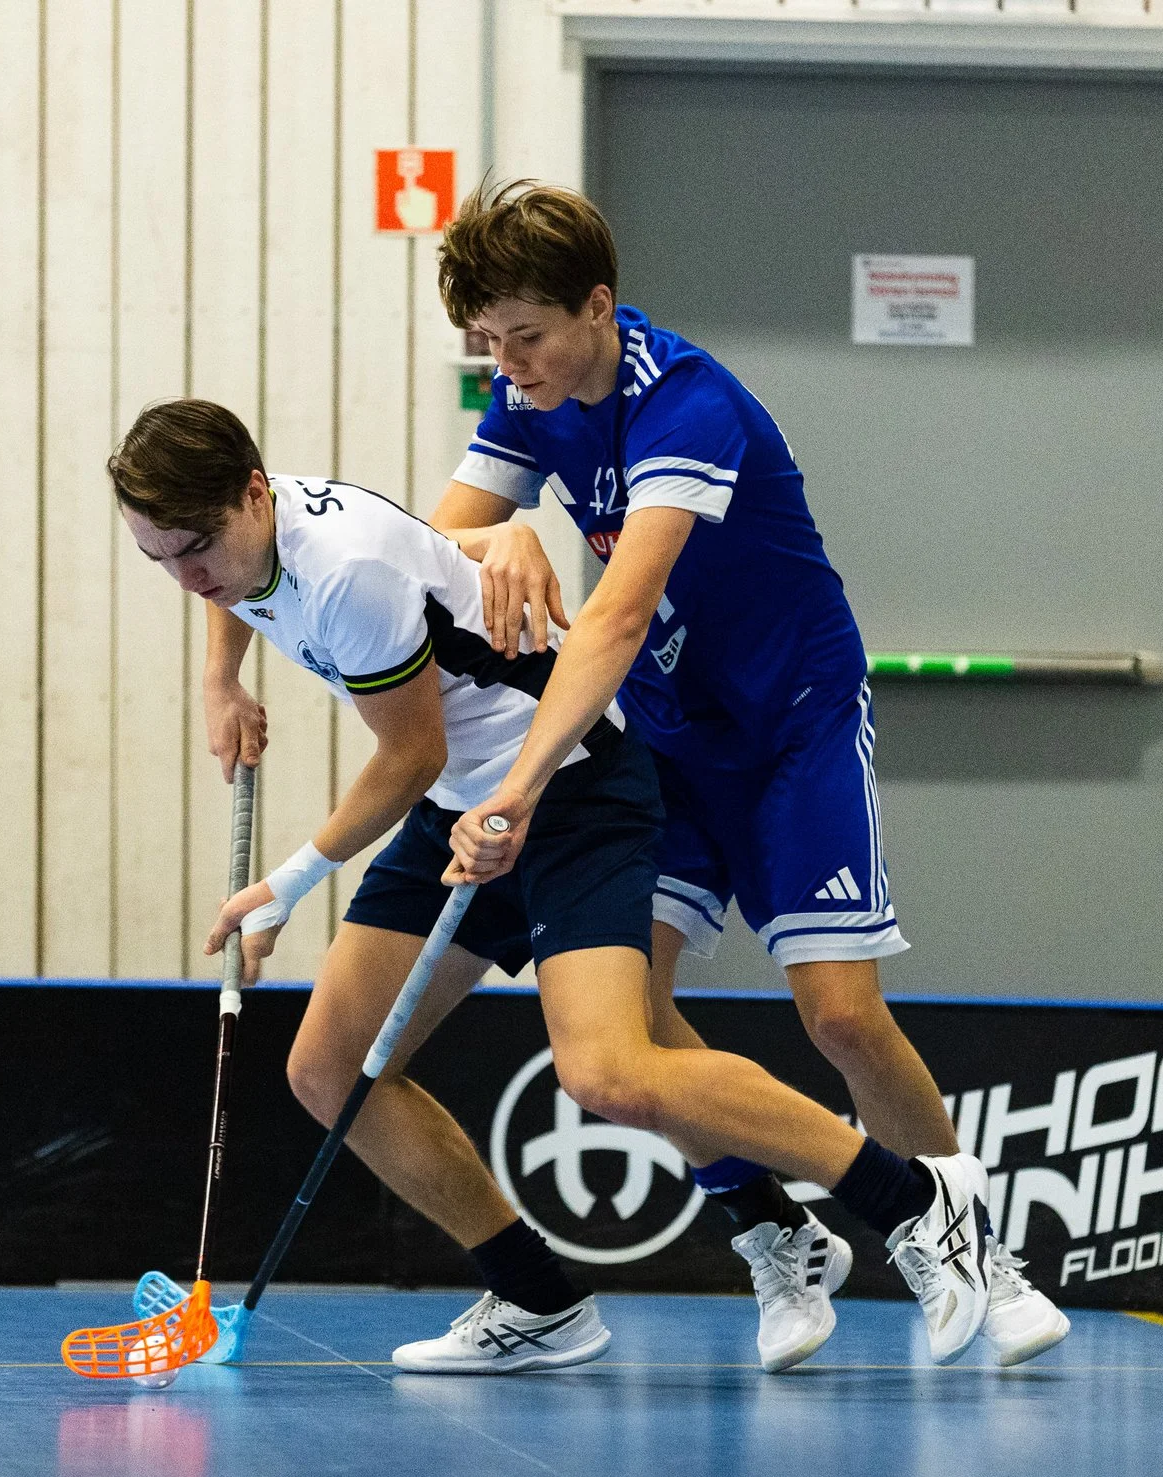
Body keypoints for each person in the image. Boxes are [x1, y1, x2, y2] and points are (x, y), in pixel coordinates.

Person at [108, 398, 996, 1374]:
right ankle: (540, 1300)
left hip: (570, 785)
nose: (188, 577)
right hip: (466, 803)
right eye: (159, 559)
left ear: (252, 492)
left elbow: (409, 754)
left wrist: (289, 881)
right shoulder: (242, 540)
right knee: (330, 1069)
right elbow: (230, 588)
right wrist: (218, 678)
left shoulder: (344, 575)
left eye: (193, 547)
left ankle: (913, 1201)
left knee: (610, 1071)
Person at [426, 181, 1068, 1370]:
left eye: (525, 337)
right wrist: (502, 531)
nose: (507, 367)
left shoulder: (692, 406)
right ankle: (774, 1226)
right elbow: (433, 548)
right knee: (630, 1019)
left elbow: (612, 619)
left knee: (839, 1014)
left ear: (597, 308)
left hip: (792, 728)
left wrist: (517, 782)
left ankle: (977, 1245)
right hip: (669, 741)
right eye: (488, 343)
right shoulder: (535, 398)